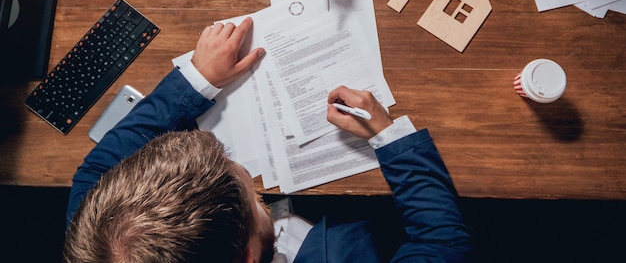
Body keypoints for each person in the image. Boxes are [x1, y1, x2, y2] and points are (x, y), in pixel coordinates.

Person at [63, 18, 472, 262]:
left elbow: (97, 170)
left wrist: (198, 79)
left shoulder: (103, 234)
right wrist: (387, 136)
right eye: (252, 197)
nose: (245, 174)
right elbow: (443, 244)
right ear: (248, 257)